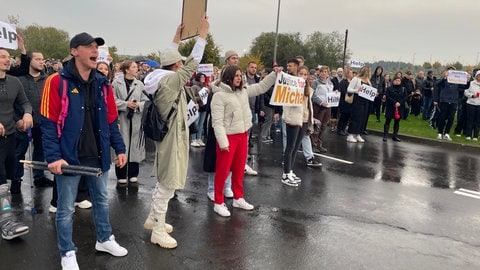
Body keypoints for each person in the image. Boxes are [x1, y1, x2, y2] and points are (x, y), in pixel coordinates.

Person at [40, 32, 128, 269]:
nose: (94, 51)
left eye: (96, 47)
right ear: (74, 51)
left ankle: (104, 238)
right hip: (69, 158)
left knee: (101, 200)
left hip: (97, 155)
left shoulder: (103, 82)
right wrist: (53, 157)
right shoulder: (56, 82)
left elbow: (111, 120)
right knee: (66, 208)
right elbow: (48, 122)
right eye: (88, 46)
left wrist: (119, 147)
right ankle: (67, 251)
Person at [141, 16, 209, 249]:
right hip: (172, 135)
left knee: (164, 180)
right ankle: (158, 230)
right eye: (179, 62)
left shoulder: (157, 77)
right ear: (177, 65)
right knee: (168, 183)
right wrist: (202, 36)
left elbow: (170, 58)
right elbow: (193, 63)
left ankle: (153, 219)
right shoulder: (170, 81)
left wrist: (176, 39)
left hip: (167, 133)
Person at [210, 64, 281, 216]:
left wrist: (274, 75)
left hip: (243, 135)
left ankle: (238, 198)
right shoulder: (219, 96)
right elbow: (217, 122)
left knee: (238, 169)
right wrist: (223, 142)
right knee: (222, 171)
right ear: (228, 77)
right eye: (236, 76)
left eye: (240, 76)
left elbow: (261, 87)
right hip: (228, 137)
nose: (239, 78)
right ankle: (218, 202)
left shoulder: (243, 91)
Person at [0, 47, 32, 240]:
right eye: (2, 56)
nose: (7, 59)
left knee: (8, 175)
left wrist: (26, 114)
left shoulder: (15, 81)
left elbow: (25, 102)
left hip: (10, 136)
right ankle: (7, 222)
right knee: (1, 179)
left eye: (7, 56)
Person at [13, 50, 54, 194]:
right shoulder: (20, 80)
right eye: (37, 59)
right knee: (19, 152)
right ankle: (16, 180)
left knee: (40, 150)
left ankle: (39, 176)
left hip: (43, 122)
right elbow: (14, 102)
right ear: (29, 61)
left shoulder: (48, 80)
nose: (41, 62)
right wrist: (17, 119)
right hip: (23, 123)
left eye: (43, 59)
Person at [112, 60, 147, 185]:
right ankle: (121, 173)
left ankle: (133, 173)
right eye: (133, 67)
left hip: (136, 119)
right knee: (122, 144)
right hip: (122, 118)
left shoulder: (140, 84)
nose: (136, 68)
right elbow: (112, 100)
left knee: (134, 145)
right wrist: (126, 104)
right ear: (126, 70)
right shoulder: (116, 83)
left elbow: (146, 100)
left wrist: (138, 105)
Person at [281, 65, 315, 187]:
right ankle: (285, 173)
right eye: (301, 74)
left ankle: (290, 170)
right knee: (290, 147)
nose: (303, 76)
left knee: (296, 147)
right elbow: (285, 102)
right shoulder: (291, 87)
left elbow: (309, 107)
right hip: (293, 120)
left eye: (305, 74)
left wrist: (310, 124)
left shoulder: (308, 89)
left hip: (304, 120)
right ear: (297, 75)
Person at [434, 66, 468, 141]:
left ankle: (447, 133)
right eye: (449, 71)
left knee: (451, 118)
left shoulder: (457, 82)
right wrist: (444, 78)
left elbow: (465, 86)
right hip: (444, 100)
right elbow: (437, 84)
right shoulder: (443, 80)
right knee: (442, 117)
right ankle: (440, 133)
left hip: (454, 101)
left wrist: (467, 79)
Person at [311, 65, 335, 153]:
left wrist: (335, 93)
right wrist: (321, 102)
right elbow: (312, 95)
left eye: (325, 72)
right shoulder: (315, 83)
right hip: (318, 107)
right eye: (322, 71)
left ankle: (319, 143)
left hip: (328, 107)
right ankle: (313, 144)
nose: (324, 73)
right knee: (317, 125)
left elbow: (331, 94)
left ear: (328, 73)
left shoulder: (331, 83)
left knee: (323, 126)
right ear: (319, 73)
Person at [346, 66, 372, 143]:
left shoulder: (368, 81)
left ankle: (358, 134)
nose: (368, 73)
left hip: (365, 101)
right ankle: (350, 134)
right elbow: (349, 89)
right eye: (367, 72)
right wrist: (357, 90)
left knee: (363, 118)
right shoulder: (356, 79)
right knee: (355, 117)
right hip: (358, 100)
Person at [383, 76, 407, 142]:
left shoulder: (403, 89)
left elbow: (405, 97)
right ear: (393, 81)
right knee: (388, 121)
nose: (397, 82)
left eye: (399, 80)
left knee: (397, 122)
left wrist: (399, 103)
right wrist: (395, 102)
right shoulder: (389, 88)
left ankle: (395, 136)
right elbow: (388, 96)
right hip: (390, 106)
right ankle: (385, 135)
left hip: (399, 107)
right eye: (396, 80)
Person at [190, 72, 208, 147]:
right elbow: (192, 97)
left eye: (204, 77)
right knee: (196, 124)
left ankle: (199, 138)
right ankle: (193, 139)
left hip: (204, 107)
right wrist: (200, 98)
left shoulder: (205, 87)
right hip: (197, 107)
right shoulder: (194, 87)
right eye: (201, 77)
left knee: (201, 124)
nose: (203, 79)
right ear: (198, 78)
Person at [463, 70, 480, 140]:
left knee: (478, 121)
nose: (479, 77)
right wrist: (472, 95)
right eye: (478, 76)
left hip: (479, 105)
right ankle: (468, 135)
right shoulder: (471, 83)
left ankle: (475, 136)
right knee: (470, 120)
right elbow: (466, 92)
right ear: (476, 76)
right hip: (471, 104)